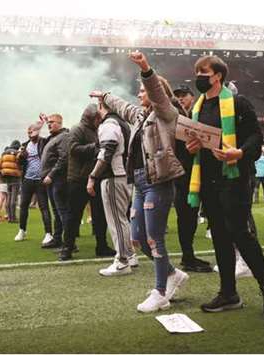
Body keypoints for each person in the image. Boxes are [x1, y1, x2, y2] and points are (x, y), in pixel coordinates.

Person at [183, 55, 264, 320]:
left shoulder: (237, 102)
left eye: (203, 72)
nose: (198, 76)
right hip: (208, 179)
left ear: (218, 75)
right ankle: (229, 293)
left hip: (234, 177)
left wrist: (239, 152)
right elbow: (196, 142)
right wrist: (190, 146)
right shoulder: (198, 108)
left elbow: (255, 136)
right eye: (197, 72)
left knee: (240, 233)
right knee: (220, 236)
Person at [91, 51, 189, 313]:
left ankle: (160, 292)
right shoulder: (141, 116)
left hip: (158, 182)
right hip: (140, 183)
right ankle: (172, 274)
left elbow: (156, 92)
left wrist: (145, 68)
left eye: (142, 91)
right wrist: (105, 97)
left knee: (154, 238)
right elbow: (124, 107)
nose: (139, 95)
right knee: (137, 237)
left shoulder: (166, 112)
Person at [59, 104, 115, 261]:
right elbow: (73, 149)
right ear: (92, 117)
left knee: (99, 215)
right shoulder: (77, 129)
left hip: (95, 178)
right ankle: (67, 247)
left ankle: (101, 246)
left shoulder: (97, 130)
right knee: (73, 216)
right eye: (97, 117)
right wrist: (96, 147)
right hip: (78, 179)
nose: (100, 120)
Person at [87, 100, 137, 275]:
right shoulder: (123, 123)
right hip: (123, 175)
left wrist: (92, 176)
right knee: (121, 218)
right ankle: (129, 255)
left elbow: (107, 150)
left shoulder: (109, 124)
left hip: (114, 177)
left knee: (116, 220)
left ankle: (123, 261)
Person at [172, 84, 213, 272]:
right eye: (177, 96)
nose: (180, 98)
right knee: (186, 216)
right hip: (183, 175)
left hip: (201, 172)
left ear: (192, 96)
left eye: (183, 95)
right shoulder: (175, 117)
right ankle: (187, 256)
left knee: (193, 216)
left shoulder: (199, 114)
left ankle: (188, 256)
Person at [15, 120, 53, 243]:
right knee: (23, 206)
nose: (30, 133)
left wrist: (44, 122)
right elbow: (19, 164)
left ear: (38, 132)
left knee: (44, 207)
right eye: (29, 132)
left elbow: (52, 138)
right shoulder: (24, 145)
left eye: (33, 131)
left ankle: (48, 233)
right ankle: (22, 230)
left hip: (40, 180)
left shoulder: (43, 142)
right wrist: (20, 157)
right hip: (27, 179)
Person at [40, 113, 70, 250]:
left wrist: (51, 175)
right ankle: (58, 239)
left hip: (58, 179)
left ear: (60, 123)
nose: (49, 125)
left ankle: (69, 243)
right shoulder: (53, 138)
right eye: (48, 123)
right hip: (52, 180)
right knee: (57, 212)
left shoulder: (63, 137)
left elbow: (63, 158)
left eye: (52, 122)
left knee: (62, 211)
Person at [0, 140, 22, 222]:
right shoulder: (17, 153)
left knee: (8, 197)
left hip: (6, 178)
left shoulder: (4, 153)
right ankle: (13, 218)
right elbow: (20, 164)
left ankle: (9, 216)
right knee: (13, 199)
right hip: (15, 177)